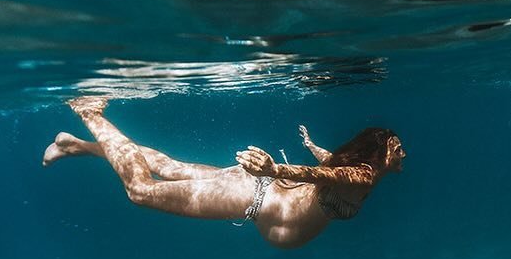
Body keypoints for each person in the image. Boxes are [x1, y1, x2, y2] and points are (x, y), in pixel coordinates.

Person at [43, 97, 404, 249]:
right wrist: (277, 168)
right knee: (141, 191)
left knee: (169, 166)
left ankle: (75, 145)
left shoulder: (353, 169)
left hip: (257, 188)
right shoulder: (363, 177)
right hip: (254, 197)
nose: (403, 152)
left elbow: (328, 167)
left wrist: (312, 146)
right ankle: (89, 114)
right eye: (396, 147)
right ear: (379, 153)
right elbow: (323, 176)